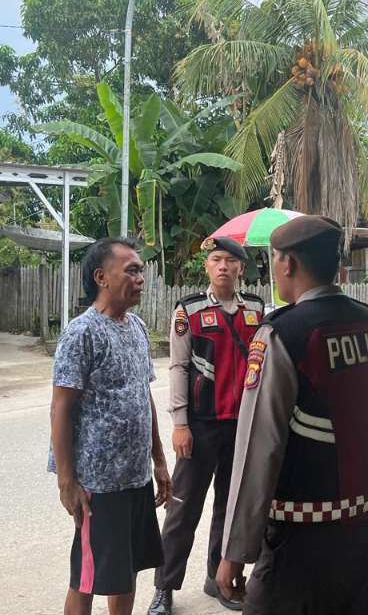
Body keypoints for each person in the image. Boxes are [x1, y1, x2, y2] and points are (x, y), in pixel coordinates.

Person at [215, 215, 368, 615]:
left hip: (298, 539)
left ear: (289, 264)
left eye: (274, 259)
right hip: (361, 527)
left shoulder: (283, 334)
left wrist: (235, 550)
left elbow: (258, 449)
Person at [49, 238, 172, 615]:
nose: (140, 278)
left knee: (125, 570)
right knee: (87, 578)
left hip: (135, 478)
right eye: (131, 270)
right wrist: (67, 481)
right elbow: (60, 409)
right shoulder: (81, 333)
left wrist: (158, 460)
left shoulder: (137, 327)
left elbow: (142, 396)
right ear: (101, 277)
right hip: (98, 486)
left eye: (141, 271)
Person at [148, 237, 264, 615]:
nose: (223, 266)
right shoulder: (190, 310)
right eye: (216, 259)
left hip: (242, 427)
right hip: (200, 426)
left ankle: (219, 578)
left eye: (230, 260)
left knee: (230, 508)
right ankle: (164, 588)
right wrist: (180, 423)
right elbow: (178, 367)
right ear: (207, 266)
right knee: (182, 510)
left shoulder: (257, 309)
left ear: (241, 268)